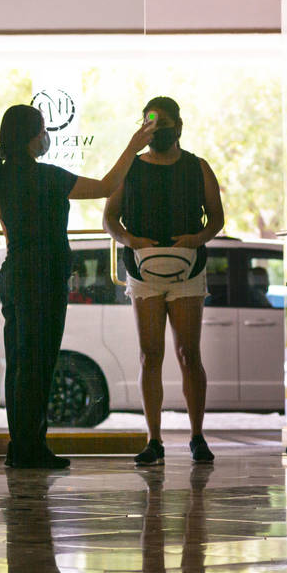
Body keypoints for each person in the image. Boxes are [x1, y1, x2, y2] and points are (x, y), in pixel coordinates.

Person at [0, 104, 154, 469]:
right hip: (42, 278)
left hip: (14, 272)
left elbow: (7, 229)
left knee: (19, 364)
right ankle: (32, 449)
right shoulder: (48, 177)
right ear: (32, 137)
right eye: (43, 129)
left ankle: (21, 446)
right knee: (40, 363)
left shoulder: (0, 175)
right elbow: (107, 186)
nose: (46, 136)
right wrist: (131, 147)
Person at [103, 97, 225, 466]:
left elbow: (217, 219)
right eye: (149, 124)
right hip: (143, 271)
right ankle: (153, 439)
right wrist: (131, 241)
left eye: (164, 124)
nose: (157, 131)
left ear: (179, 126)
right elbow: (110, 219)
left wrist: (196, 239)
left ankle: (197, 436)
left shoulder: (198, 167)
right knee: (150, 354)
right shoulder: (131, 169)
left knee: (189, 353)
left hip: (188, 269)